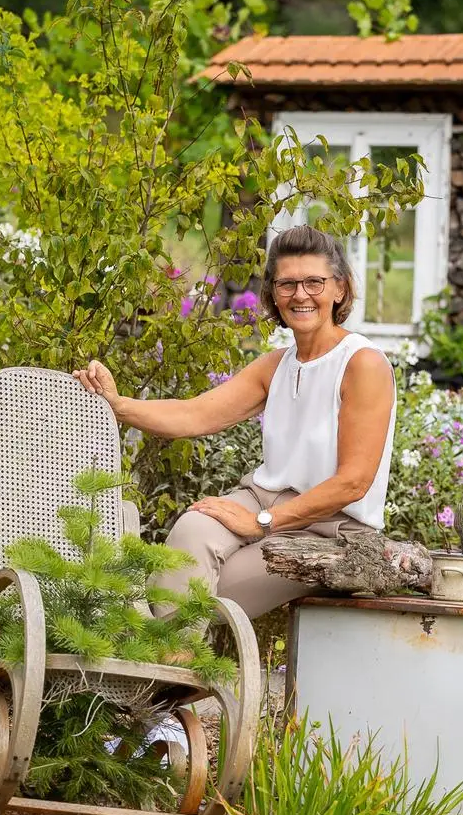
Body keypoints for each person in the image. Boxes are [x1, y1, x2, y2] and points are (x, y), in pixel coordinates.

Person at [72, 225, 397, 618]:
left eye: (314, 282)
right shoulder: (277, 365)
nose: (300, 295)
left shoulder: (362, 363)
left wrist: (262, 521)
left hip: (330, 526)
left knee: (204, 596)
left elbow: (354, 482)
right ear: (273, 294)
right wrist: (117, 404)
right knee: (191, 532)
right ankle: (169, 671)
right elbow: (195, 414)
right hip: (263, 498)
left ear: (339, 289)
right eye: (287, 284)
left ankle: (170, 673)